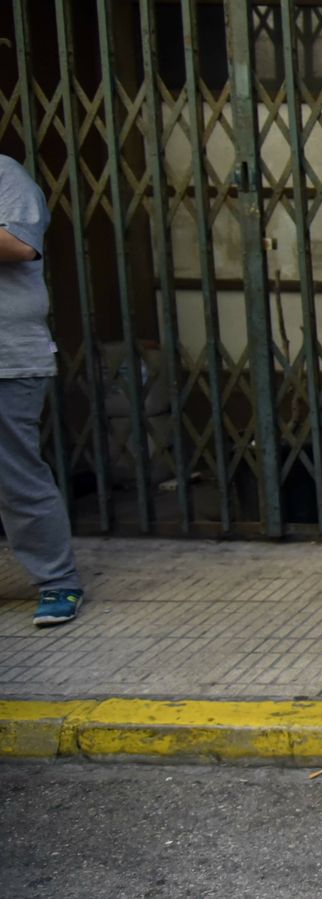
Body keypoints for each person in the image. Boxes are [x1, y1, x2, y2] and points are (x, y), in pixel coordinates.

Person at [0, 155, 85, 627]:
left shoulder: (4, 175)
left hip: (7, 358)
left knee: (15, 478)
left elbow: (18, 244)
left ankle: (58, 582)